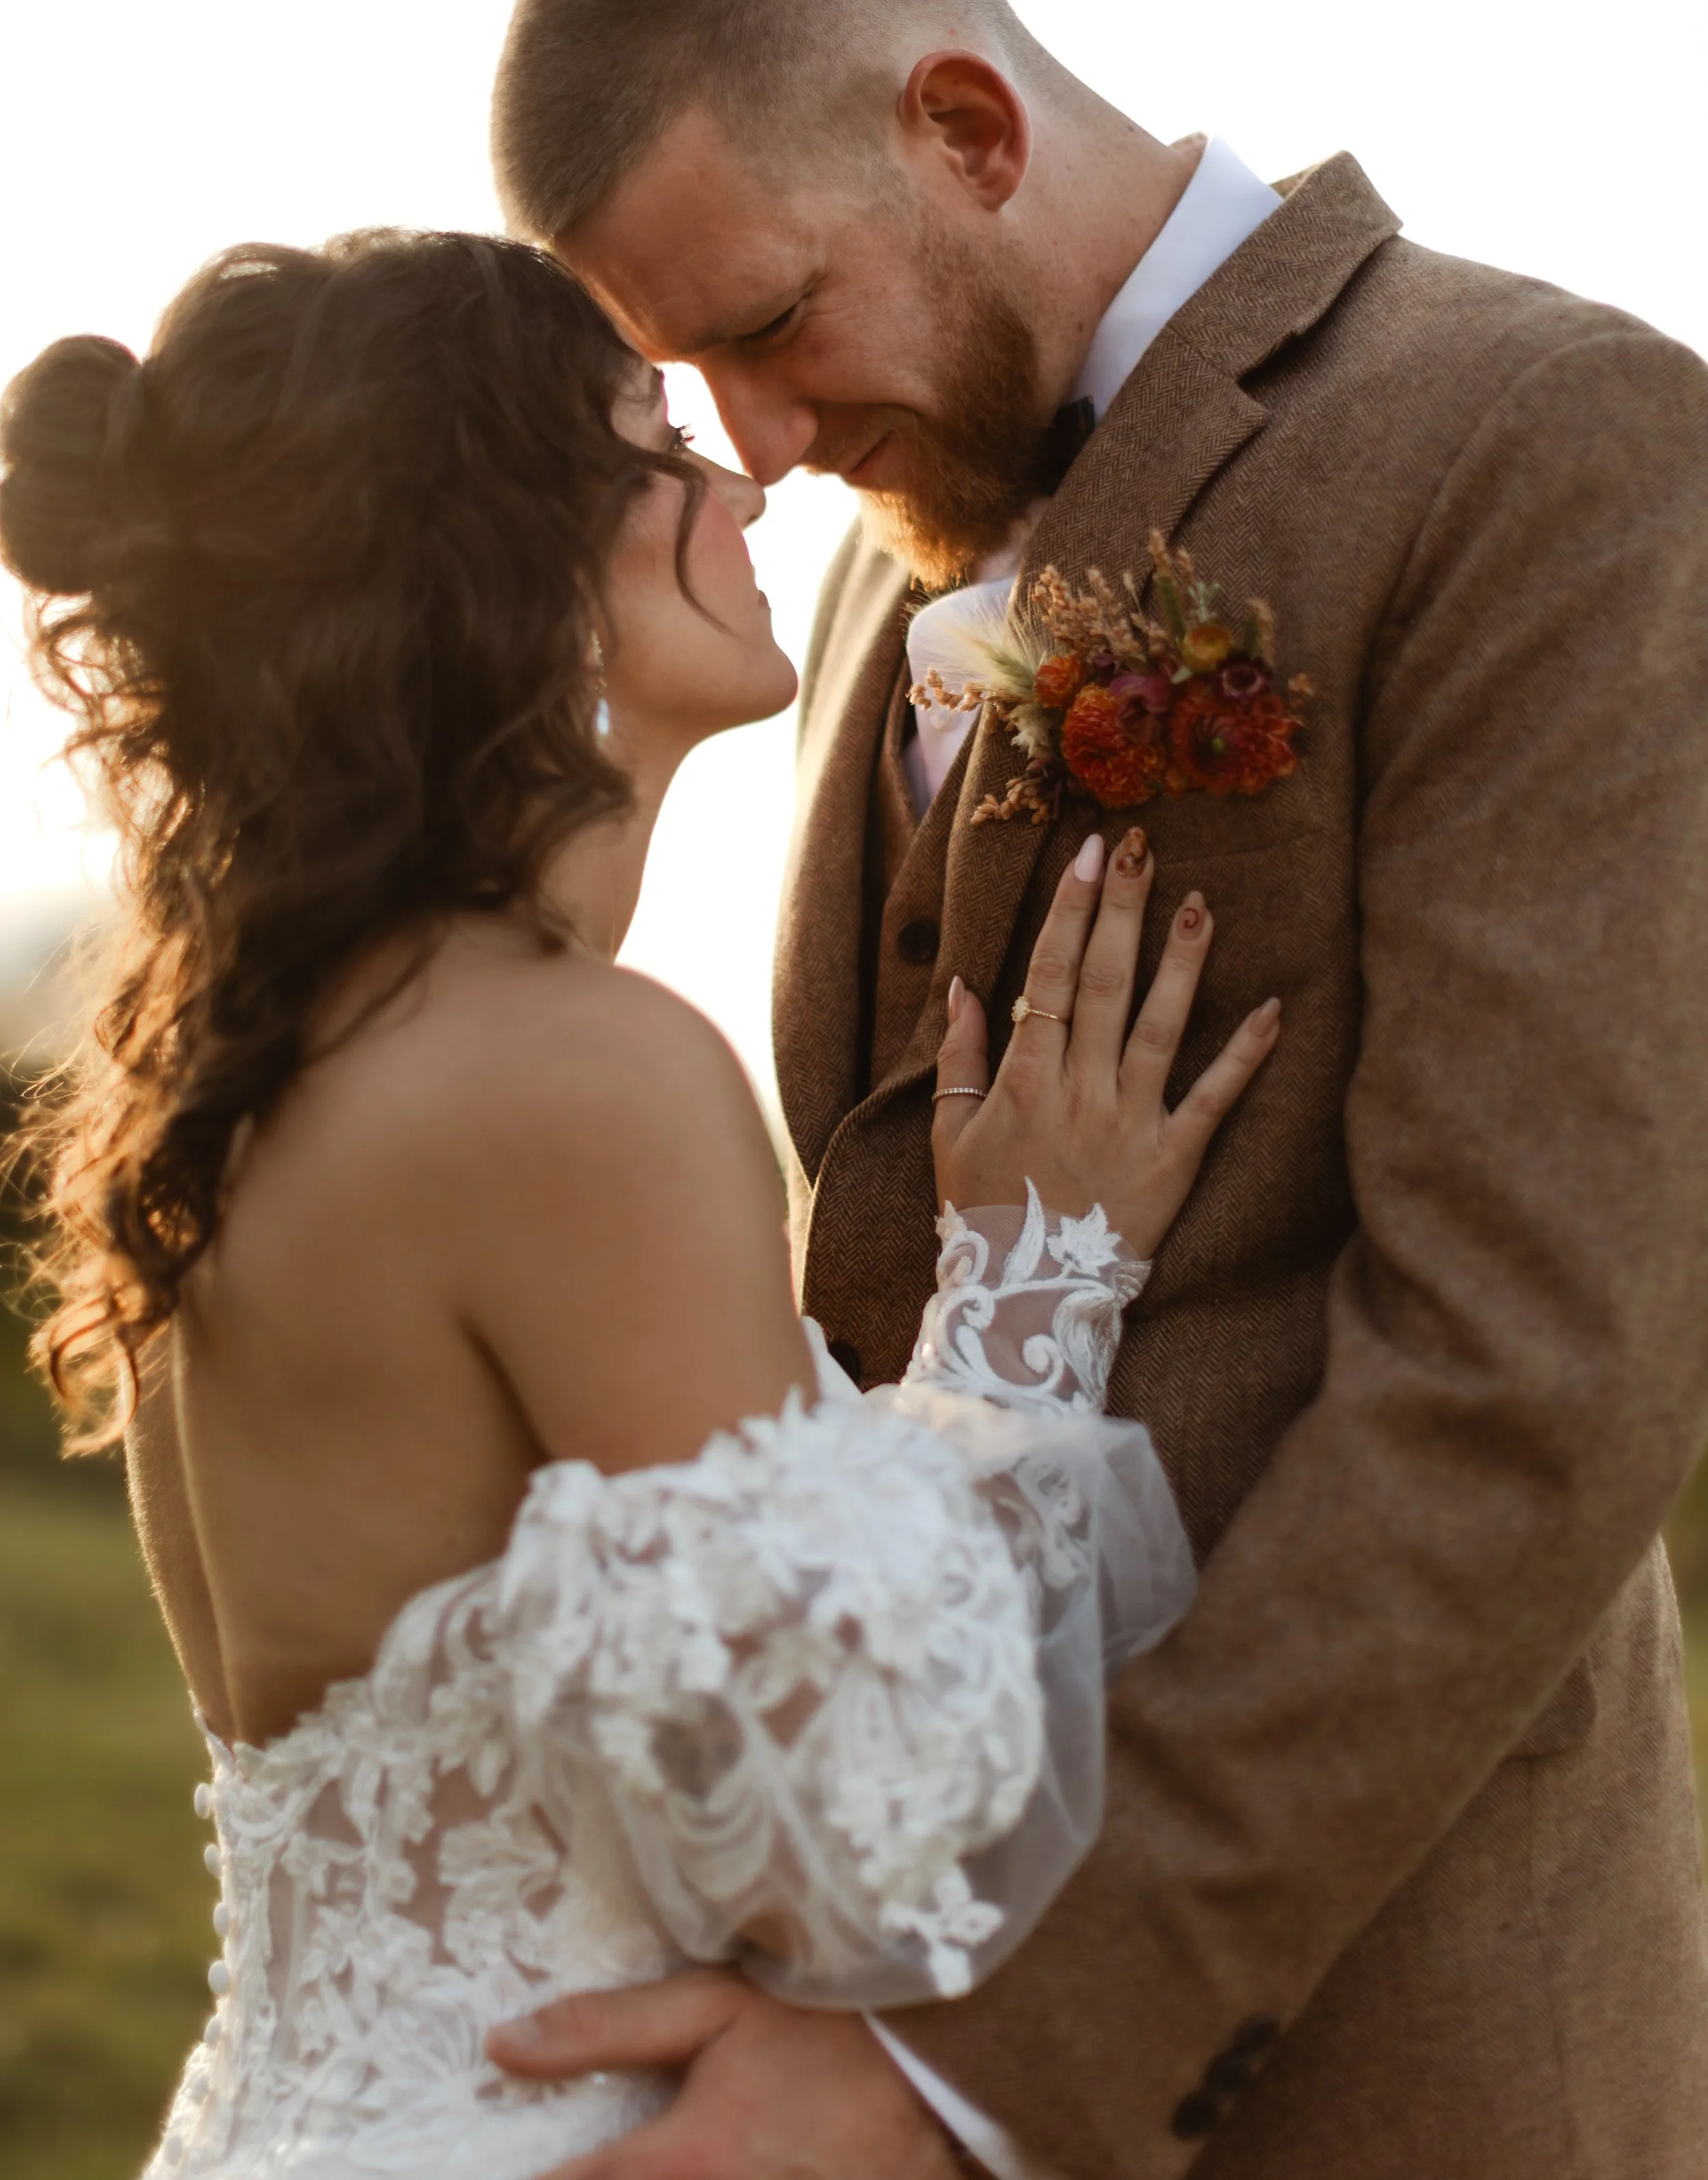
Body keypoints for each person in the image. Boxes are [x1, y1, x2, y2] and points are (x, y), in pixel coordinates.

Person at [486, 0, 1708, 2177]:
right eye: (682, 376)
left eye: (760, 326)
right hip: (849, 1994)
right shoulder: (873, 561)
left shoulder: (1551, 443)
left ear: (961, 126)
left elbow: (1534, 1370)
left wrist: (982, 2063)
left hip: (1384, 2055)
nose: (751, 441)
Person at [0, 231, 1279, 2179]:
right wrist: (1032, 1292)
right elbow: (857, 1829)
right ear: (499, 545)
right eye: (653, 438)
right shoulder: (568, 1070)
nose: (741, 479)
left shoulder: (275, 1075)